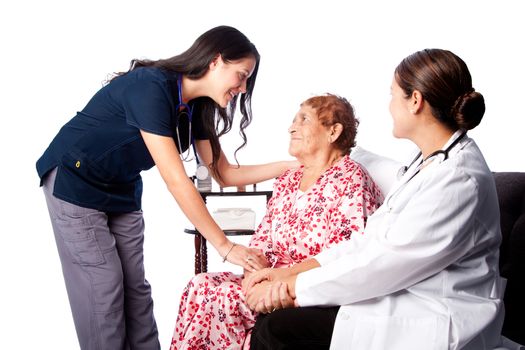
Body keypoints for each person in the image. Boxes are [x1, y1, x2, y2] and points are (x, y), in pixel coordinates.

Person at [36, 25, 297, 350]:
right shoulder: (151, 87)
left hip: (121, 187)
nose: (243, 89)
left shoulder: (199, 105)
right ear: (216, 61)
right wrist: (225, 246)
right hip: (75, 180)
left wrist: (290, 166)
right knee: (103, 285)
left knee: (136, 290)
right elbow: (175, 179)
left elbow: (224, 173)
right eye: (241, 75)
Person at [245, 49, 506, 350]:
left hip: (434, 314)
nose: (389, 105)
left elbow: (382, 264)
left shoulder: (459, 179)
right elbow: (369, 242)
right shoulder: (427, 164)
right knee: (273, 323)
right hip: (399, 292)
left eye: (393, 95)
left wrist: (291, 289)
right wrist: (288, 273)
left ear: (416, 101)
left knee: (278, 328)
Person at [170, 95, 383, 349]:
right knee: (200, 285)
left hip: (307, 285)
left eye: (304, 119)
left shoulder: (351, 178)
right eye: (294, 120)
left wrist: (278, 280)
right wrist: (253, 273)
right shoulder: (289, 180)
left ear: (333, 131)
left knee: (225, 297)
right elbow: (262, 238)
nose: (292, 127)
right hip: (267, 278)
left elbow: (343, 255)